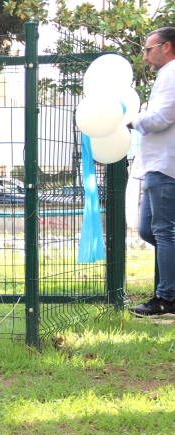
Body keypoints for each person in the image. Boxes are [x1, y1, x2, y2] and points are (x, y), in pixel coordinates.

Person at [129, 27, 175, 316]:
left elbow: (161, 117)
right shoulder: (166, 75)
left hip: (165, 164)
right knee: (149, 229)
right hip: (156, 165)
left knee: (163, 231)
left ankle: (166, 298)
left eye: (148, 49)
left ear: (166, 47)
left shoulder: (171, 74)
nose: (145, 56)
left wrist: (132, 121)